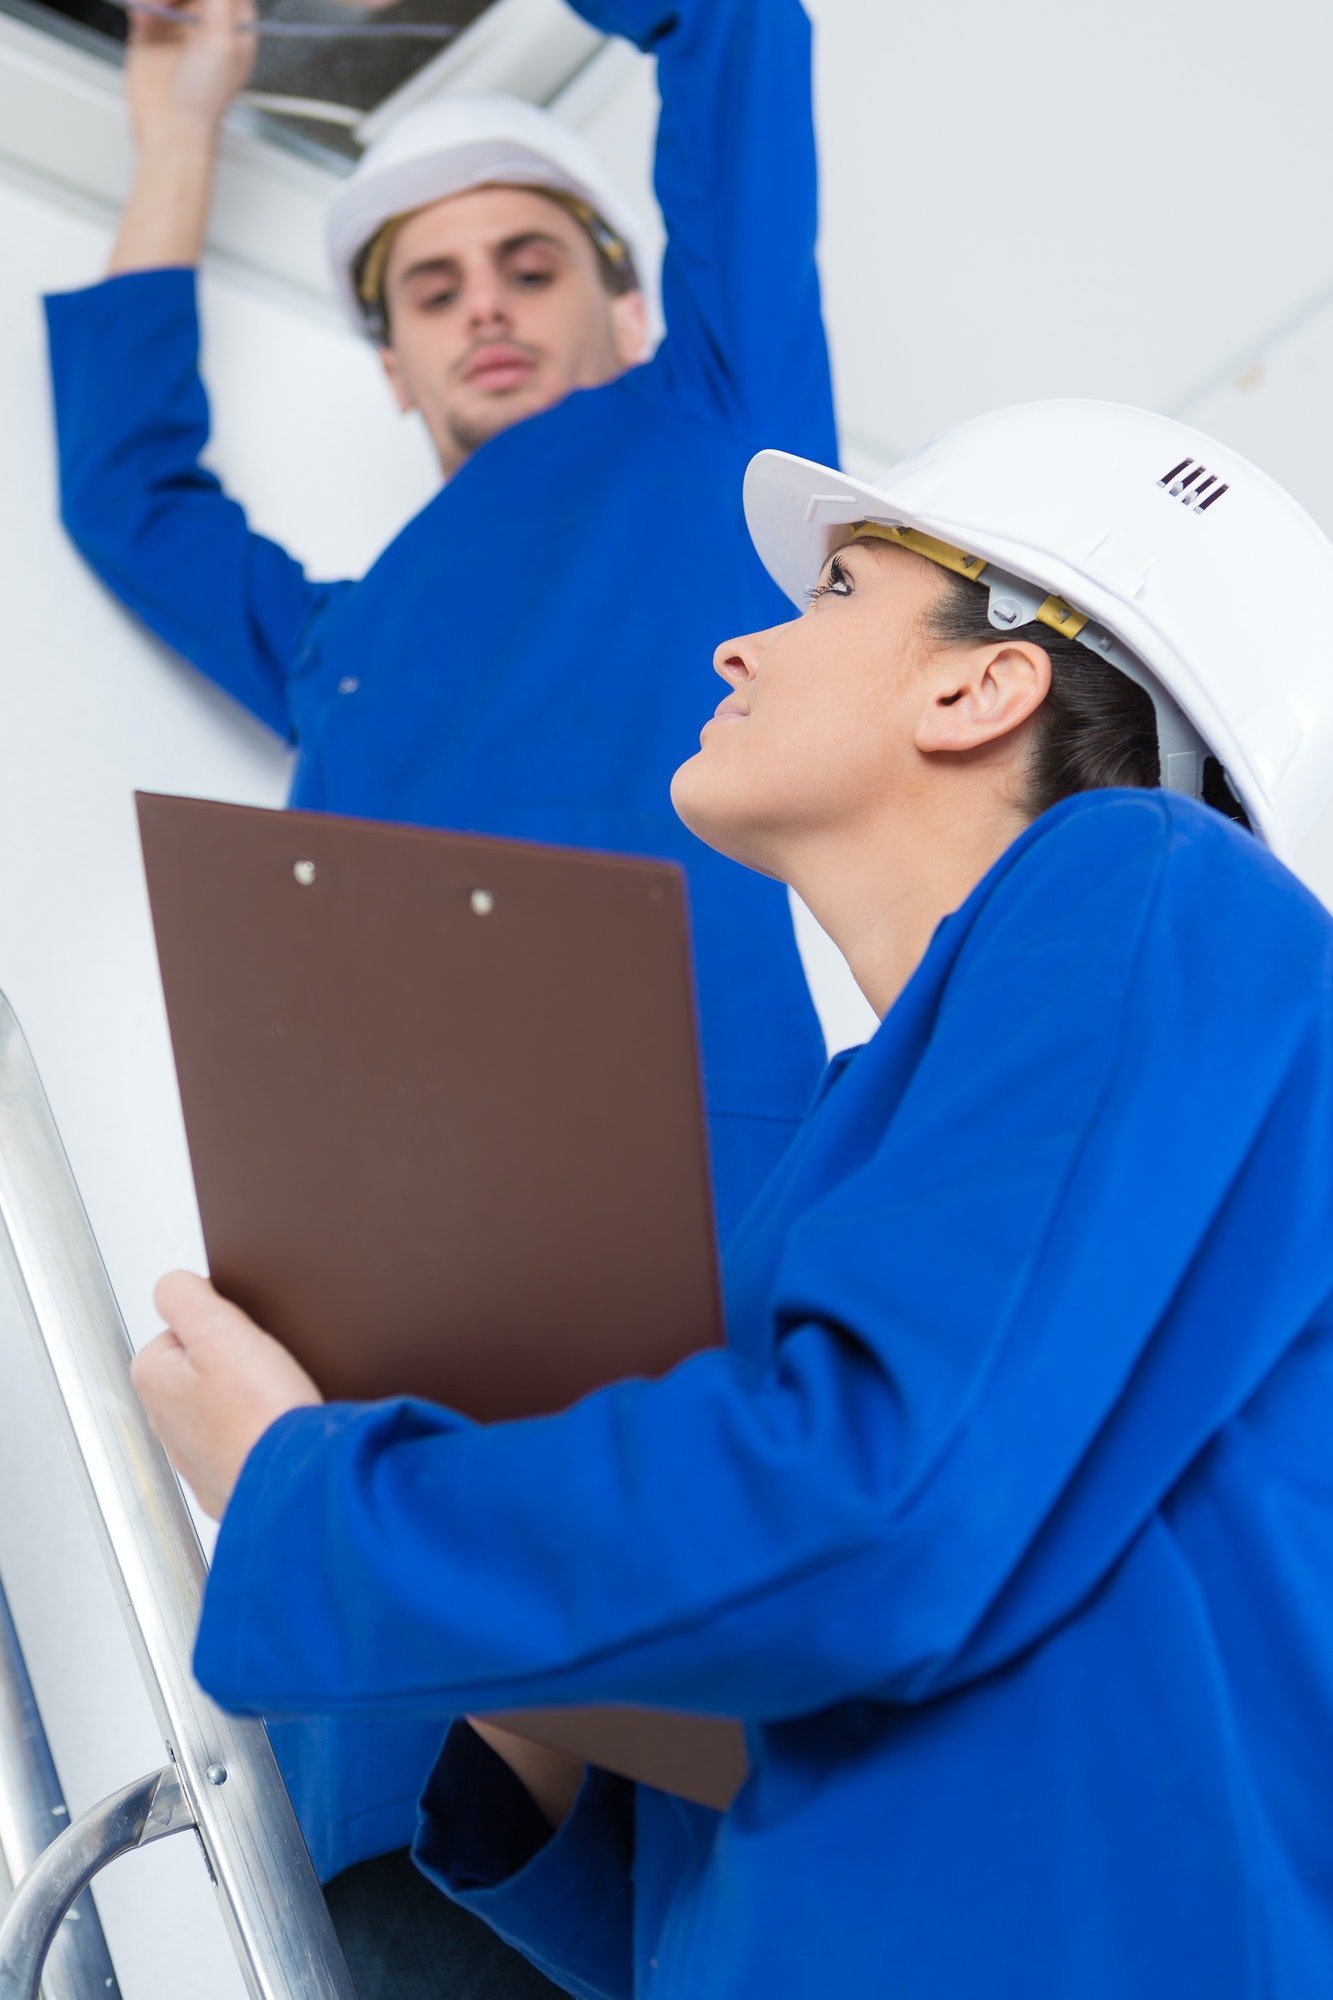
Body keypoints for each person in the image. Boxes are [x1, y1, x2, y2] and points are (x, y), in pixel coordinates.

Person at [131, 398, 1333, 1998]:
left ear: (984, 683)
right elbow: (692, 1866)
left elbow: (875, 1510)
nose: (736, 646)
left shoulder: (1147, 881)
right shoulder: (853, 1145)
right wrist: (524, 1667)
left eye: (833, 590)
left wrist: (318, 1498)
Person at [45, 0, 833, 1257]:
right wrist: (179, 128)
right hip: (374, 1218)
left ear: (634, 314)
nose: (484, 310)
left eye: (530, 269)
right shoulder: (338, 648)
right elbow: (128, 502)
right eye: (434, 290)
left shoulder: (715, 433)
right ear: (394, 370)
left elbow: (733, 24)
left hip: (685, 1170)